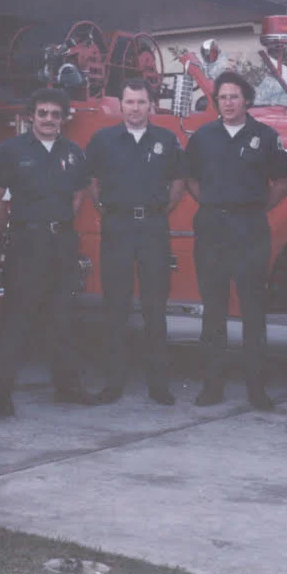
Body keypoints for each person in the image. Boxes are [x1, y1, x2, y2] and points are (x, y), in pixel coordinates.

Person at [0, 88, 97, 415]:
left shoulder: (74, 152)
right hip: (26, 243)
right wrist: (15, 227)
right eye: (43, 113)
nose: (49, 119)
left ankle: (68, 387)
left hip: (61, 243)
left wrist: (56, 224)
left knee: (63, 317)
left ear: (64, 119)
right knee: (16, 318)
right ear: (31, 116)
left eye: (55, 114)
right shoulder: (11, 150)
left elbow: (78, 195)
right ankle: (1, 395)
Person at [186, 71, 287, 410]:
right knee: (213, 310)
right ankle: (211, 386)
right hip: (213, 229)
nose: (228, 103)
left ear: (247, 100)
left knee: (253, 310)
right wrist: (216, 204)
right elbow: (190, 179)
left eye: (234, 97)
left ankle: (256, 389)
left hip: (250, 229)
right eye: (222, 97)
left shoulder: (265, 136)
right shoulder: (202, 137)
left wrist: (254, 209)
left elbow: (281, 183)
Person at [85, 78, 187, 405]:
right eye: (129, 102)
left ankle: (159, 384)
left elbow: (178, 182)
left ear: (151, 105)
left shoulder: (166, 139)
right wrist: (111, 210)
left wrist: (156, 211)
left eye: (141, 102)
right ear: (121, 105)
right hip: (118, 227)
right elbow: (92, 181)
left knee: (155, 308)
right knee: (115, 306)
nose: (135, 108)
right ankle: (113, 382)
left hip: (153, 229)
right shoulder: (103, 140)